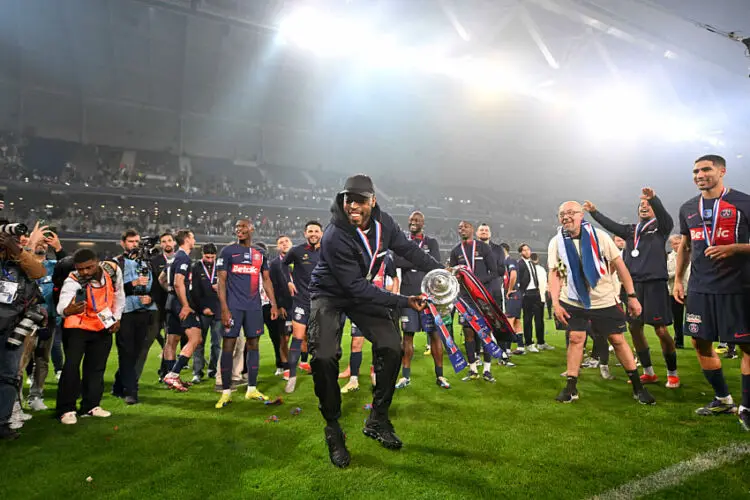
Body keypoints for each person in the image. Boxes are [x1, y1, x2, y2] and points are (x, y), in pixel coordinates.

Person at [307, 174, 441, 468]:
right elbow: (354, 287)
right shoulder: (334, 234)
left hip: (359, 290)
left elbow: (409, 251)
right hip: (330, 293)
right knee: (324, 355)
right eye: (348, 199)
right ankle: (333, 427)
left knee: (392, 345)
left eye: (359, 200)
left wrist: (441, 272)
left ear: (373, 201)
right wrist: (404, 301)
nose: (352, 206)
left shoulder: (386, 225)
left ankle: (378, 418)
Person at [548, 201, 655, 405]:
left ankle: (637, 387)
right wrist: (555, 303)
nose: (566, 217)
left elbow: (620, 266)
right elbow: (555, 273)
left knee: (617, 340)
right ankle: (571, 388)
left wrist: (631, 296)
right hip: (572, 299)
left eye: (571, 212)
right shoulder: (556, 241)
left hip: (604, 299)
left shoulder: (600, 236)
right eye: (562, 214)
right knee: (576, 339)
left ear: (581, 215)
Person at [673, 154, 750, 429]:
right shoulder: (688, 208)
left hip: (738, 286)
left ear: (722, 171)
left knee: (747, 345)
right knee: (699, 341)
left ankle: (747, 406)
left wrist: (735, 249)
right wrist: (678, 280)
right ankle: (723, 398)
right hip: (701, 288)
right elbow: (684, 246)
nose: (699, 175)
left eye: (706, 169)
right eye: (695, 171)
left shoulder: (744, 202)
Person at [584, 187, 679, 388]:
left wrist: (654, 198)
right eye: (641, 205)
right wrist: (594, 212)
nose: (644, 207)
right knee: (635, 328)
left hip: (654, 284)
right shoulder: (630, 231)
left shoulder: (661, 228)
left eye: (648, 205)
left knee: (661, 331)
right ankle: (649, 372)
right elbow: (610, 225)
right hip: (634, 287)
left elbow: (664, 215)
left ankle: (672, 373)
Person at [56, 248, 125, 425]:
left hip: (103, 325)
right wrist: (67, 310)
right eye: (80, 268)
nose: (84, 272)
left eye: (89, 268)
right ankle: (66, 409)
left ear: (97, 262)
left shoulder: (113, 270)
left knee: (96, 368)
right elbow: (63, 302)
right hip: (77, 327)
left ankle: (91, 406)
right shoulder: (73, 279)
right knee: (71, 367)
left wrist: (117, 318)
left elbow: (119, 294)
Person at [215, 220, 278, 408]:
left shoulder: (260, 254)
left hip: (254, 307)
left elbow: (266, 280)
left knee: (253, 344)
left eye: (243, 227)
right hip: (233, 307)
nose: (239, 230)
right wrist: (224, 309)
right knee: (229, 345)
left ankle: (251, 388)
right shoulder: (227, 252)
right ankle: (226, 391)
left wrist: (274, 304)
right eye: (237, 227)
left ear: (251, 230)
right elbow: (221, 282)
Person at [392, 211, 450, 389]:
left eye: (417, 220)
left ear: (423, 223)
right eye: (411, 220)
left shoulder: (431, 242)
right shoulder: (402, 242)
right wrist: (420, 261)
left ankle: (440, 376)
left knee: (434, 336)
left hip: (429, 297)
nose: (413, 222)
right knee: (407, 337)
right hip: (408, 296)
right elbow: (397, 261)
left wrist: (412, 260)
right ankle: (406, 376)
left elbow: (435, 263)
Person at [0, 222, 47, 440]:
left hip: (12, 326)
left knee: (9, 376)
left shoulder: (18, 260)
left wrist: (17, 250)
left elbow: (38, 271)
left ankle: (2, 422)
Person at [449, 220, 499, 382]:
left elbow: (495, 271)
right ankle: (472, 369)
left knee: (485, 332)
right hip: (465, 299)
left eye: (465, 226)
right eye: (459, 227)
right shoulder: (456, 251)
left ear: (472, 229)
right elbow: (453, 275)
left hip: (482, 297)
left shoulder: (484, 248)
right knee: (468, 333)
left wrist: (476, 281)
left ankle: (487, 369)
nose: (462, 229)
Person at [112, 229, 157, 405]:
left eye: (137, 241)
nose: (135, 245)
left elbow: (155, 288)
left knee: (137, 353)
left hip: (144, 311)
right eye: (131, 241)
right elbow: (113, 289)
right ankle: (131, 392)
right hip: (125, 313)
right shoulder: (116, 263)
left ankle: (118, 385)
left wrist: (150, 297)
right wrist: (133, 284)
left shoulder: (146, 262)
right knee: (126, 352)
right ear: (123, 243)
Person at [27, 231, 66, 411]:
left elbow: (69, 268)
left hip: (48, 320)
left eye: (45, 243)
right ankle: (13, 399)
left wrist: (59, 248)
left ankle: (36, 396)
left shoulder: (53, 265)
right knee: (20, 360)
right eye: (38, 242)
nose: (42, 245)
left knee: (42, 359)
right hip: (24, 319)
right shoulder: (23, 265)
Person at [282, 221, 322, 393]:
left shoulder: (328, 252)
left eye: (316, 231)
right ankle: (291, 377)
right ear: (305, 233)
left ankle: (321, 375)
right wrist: (289, 281)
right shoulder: (297, 251)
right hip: (301, 302)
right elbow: (283, 265)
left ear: (321, 233)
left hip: (320, 302)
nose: (313, 234)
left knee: (320, 341)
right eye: (310, 231)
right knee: (297, 338)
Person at [160, 229, 202, 392]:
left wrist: (170, 292)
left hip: (171, 301)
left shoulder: (173, 258)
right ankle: (174, 374)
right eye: (192, 237)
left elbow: (162, 279)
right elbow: (178, 282)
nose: (194, 239)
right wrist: (184, 304)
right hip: (180, 302)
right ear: (187, 239)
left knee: (172, 341)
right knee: (195, 338)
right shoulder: (183, 257)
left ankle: (171, 377)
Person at [137, 232, 174, 383]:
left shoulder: (179, 259)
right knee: (148, 340)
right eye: (164, 241)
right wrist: (151, 298)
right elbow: (151, 283)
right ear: (161, 244)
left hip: (172, 305)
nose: (167, 244)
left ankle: (165, 371)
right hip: (157, 306)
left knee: (169, 340)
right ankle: (135, 374)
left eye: (169, 240)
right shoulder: (154, 261)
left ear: (174, 243)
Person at [476, 223, 513, 365]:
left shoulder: (498, 249)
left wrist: (480, 279)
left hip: (494, 290)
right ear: (477, 233)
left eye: (486, 230)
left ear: (490, 234)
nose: (484, 232)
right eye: (481, 230)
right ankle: (477, 355)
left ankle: (503, 354)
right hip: (475, 292)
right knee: (477, 323)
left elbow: (500, 270)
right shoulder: (471, 248)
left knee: (498, 323)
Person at [190, 243, 222, 383]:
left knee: (216, 343)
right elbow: (194, 291)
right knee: (198, 342)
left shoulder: (221, 266)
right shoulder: (195, 267)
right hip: (202, 311)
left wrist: (221, 287)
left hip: (219, 311)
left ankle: (213, 370)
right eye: (207, 257)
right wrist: (203, 308)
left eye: (212, 257)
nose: (209, 259)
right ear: (201, 254)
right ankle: (197, 372)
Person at [517, 244, 550, 352]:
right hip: (527, 294)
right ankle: (529, 343)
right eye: (524, 250)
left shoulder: (531, 263)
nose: (527, 252)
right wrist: (522, 292)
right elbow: (518, 279)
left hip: (536, 293)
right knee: (527, 320)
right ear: (521, 252)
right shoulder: (520, 264)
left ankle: (541, 342)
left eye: (528, 250)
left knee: (540, 318)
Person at [269, 235, 293, 376]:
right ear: (278, 247)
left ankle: (304, 362)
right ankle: (286, 367)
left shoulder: (300, 259)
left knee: (304, 336)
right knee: (284, 337)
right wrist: (278, 305)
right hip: (285, 306)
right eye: (281, 242)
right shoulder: (274, 264)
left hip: (301, 303)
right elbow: (273, 286)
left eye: (286, 241)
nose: (284, 244)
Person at [501, 243, 525, 357]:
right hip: (517, 294)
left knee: (508, 320)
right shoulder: (508, 261)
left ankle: (507, 349)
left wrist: (509, 290)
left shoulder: (509, 260)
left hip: (513, 294)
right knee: (516, 321)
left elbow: (513, 274)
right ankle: (520, 346)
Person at [666, 234, 689, 349]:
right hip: (674, 291)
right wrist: (678, 273)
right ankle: (679, 341)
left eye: (679, 243)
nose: (677, 245)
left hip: (690, 290)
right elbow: (665, 274)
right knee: (677, 319)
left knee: (694, 317)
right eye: (674, 243)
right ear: (671, 245)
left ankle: (698, 339)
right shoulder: (667, 257)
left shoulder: (691, 255)